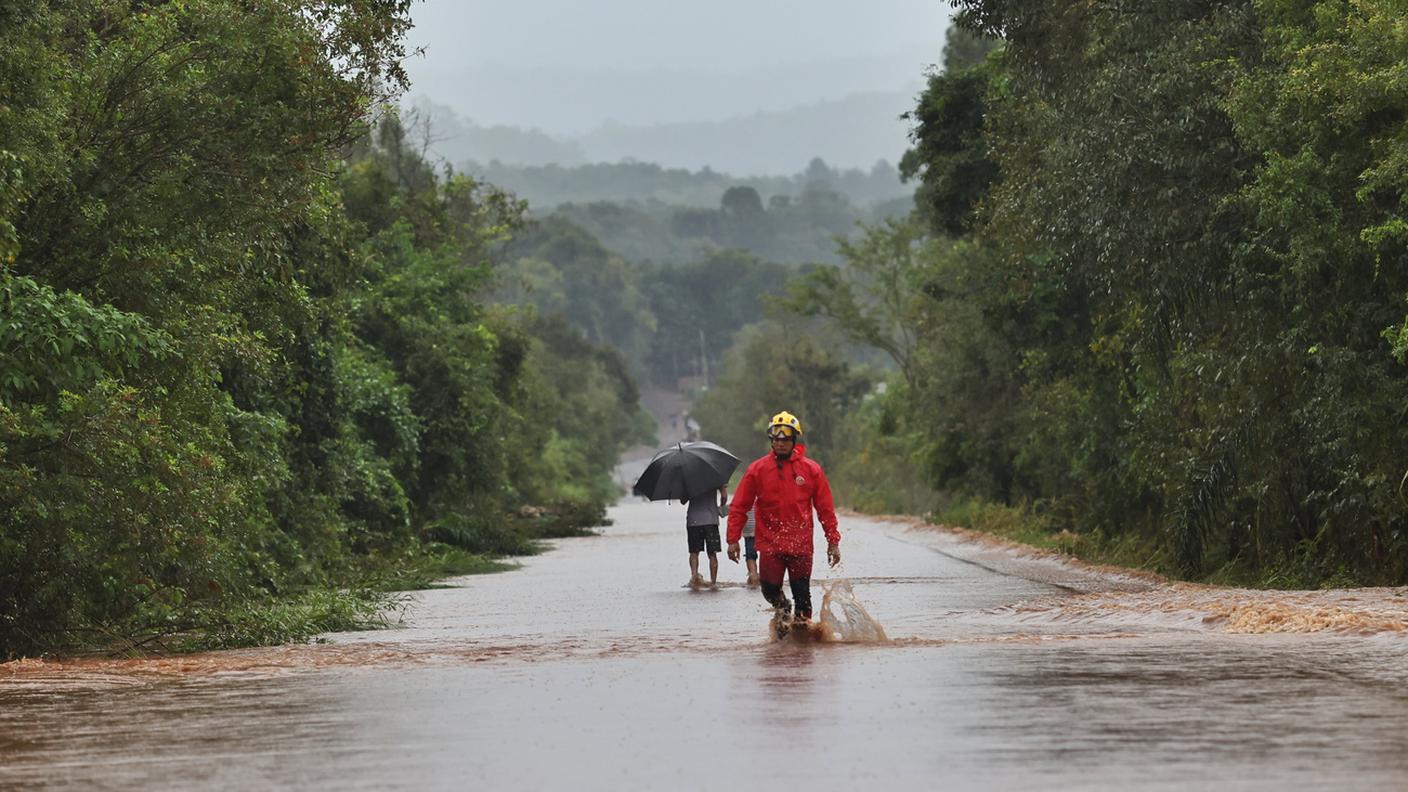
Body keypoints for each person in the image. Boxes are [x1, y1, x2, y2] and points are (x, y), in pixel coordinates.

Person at [726, 411, 840, 624]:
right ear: (771, 440)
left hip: (801, 546)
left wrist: (833, 541)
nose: (780, 443)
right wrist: (733, 540)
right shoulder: (757, 470)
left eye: (785, 439)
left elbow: (825, 509)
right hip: (770, 545)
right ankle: (783, 607)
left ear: (793, 440)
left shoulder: (811, 470)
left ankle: (802, 645)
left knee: (803, 597)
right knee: (769, 589)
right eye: (776, 439)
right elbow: (739, 506)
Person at [685, 485, 727, 588]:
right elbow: (724, 496)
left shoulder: (688, 478)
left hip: (693, 520)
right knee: (712, 553)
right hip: (710, 519)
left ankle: (694, 578)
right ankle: (713, 583)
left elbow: (683, 500)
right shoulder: (715, 475)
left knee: (694, 552)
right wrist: (721, 506)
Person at [741, 508, 760, 586]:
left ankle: (753, 577)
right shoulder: (765, 496)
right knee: (768, 553)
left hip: (749, 528)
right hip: (764, 527)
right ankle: (772, 579)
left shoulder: (744, 496)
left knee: (750, 555)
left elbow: (735, 507)